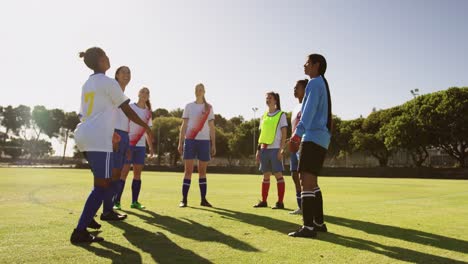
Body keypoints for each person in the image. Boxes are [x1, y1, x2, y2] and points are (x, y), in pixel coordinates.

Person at [71, 47, 152, 243]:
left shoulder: (87, 83)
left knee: (101, 182)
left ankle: (90, 217)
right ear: (101, 60)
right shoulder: (108, 82)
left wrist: (112, 132)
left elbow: (84, 113)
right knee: (104, 184)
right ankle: (80, 230)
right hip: (99, 139)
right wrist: (146, 127)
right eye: (106, 56)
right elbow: (127, 110)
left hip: (84, 135)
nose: (109, 59)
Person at [288, 53, 332, 238]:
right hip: (321, 138)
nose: (304, 66)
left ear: (316, 65)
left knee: (305, 181)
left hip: (312, 137)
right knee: (312, 182)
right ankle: (319, 223)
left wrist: (297, 134)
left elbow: (309, 111)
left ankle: (308, 228)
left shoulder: (314, 83)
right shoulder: (322, 83)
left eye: (307, 63)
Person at [177, 83, 216, 208]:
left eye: (201, 90)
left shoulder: (208, 107)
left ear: (204, 91)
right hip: (190, 140)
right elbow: (183, 126)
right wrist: (180, 142)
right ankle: (184, 200)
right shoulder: (189, 106)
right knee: (188, 171)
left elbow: (212, 127)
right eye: (197, 90)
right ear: (195, 92)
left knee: (202, 172)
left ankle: (203, 199)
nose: (199, 91)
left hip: (204, 141)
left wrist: (213, 144)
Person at [119, 87, 154, 209]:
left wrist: (151, 148)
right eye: (143, 91)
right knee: (123, 173)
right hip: (128, 144)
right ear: (138, 94)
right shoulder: (131, 107)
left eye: (147, 92)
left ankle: (135, 202)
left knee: (137, 174)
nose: (145, 94)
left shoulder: (148, 113)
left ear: (148, 96)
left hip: (140, 147)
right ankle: (116, 202)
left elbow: (148, 132)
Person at [253, 92, 288, 209]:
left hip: (275, 149)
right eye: (266, 98)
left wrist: (281, 149)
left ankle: (280, 202)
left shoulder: (281, 115)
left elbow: (284, 134)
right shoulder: (263, 116)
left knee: (278, 175)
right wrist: (258, 150)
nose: (267, 100)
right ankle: (263, 201)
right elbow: (262, 134)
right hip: (264, 149)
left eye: (270, 98)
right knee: (265, 176)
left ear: (275, 100)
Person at [289, 79, 307, 215]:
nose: (294, 90)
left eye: (297, 87)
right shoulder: (295, 108)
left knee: (304, 176)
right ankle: (300, 206)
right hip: (293, 145)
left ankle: (308, 207)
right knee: (294, 175)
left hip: (304, 143)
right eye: (294, 87)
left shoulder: (308, 104)